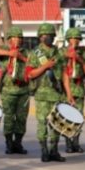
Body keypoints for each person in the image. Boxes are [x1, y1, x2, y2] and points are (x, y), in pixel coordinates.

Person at [0, 26, 31, 156]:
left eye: (19, 38)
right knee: (9, 118)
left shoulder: (28, 52)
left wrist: (21, 57)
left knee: (21, 118)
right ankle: (8, 143)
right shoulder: (5, 50)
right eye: (14, 37)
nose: (17, 40)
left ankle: (18, 143)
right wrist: (10, 54)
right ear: (9, 39)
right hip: (8, 90)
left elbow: (38, 64)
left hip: (23, 89)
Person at [28, 23, 66, 162]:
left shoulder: (59, 53)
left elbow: (65, 75)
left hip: (56, 93)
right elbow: (30, 74)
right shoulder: (35, 53)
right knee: (42, 123)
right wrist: (45, 66)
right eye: (44, 36)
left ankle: (54, 151)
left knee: (56, 124)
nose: (47, 38)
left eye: (50, 35)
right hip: (42, 94)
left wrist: (68, 94)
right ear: (40, 37)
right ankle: (44, 151)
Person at [62, 28, 85, 153]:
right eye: (72, 38)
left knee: (79, 117)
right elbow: (63, 73)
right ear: (68, 39)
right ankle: (68, 143)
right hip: (66, 89)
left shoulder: (84, 54)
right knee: (67, 118)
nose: (75, 41)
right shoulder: (62, 52)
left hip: (79, 88)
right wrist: (68, 93)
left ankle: (76, 142)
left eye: (77, 39)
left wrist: (80, 59)